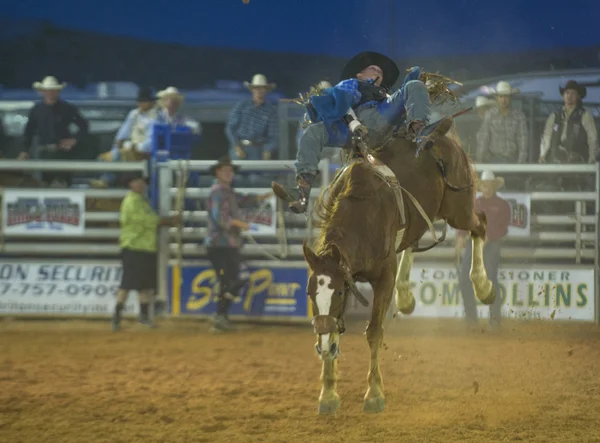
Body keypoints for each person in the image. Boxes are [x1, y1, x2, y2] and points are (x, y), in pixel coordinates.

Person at [271, 51, 452, 214]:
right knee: (312, 132)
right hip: (355, 126)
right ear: (359, 74)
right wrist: (354, 123)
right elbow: (343, 101)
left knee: (414, 85)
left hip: (383, 121)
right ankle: (302, 191)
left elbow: (404, 102)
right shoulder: (350, 84)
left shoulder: (387, 96)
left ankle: (419, 134)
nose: (378, 71)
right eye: (373, 68)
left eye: (380, 71)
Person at [205, 156, 272, 332]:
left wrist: (267, 195)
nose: (229, 173)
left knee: (231, 279)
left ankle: (220, 316)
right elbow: (221, 218)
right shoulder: (218, 192)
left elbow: (245, 200)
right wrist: (245, 225)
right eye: (225, 170)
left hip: (225, 244)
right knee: (233, 279)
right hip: (219, 244)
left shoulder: (227, 192)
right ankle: (220, 316)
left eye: (230, 170)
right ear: (218, 173)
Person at [111, 172, 181, 331]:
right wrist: (170, 221)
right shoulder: (133, 202)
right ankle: (118, 317)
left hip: (143, 247)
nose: (141, 184)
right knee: (128, 284)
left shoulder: (139, 201)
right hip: (135, 246)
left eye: (142, 182)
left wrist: (168, 221)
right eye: (137, 182)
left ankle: (138, 317)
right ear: (130, 184)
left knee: (142, 284)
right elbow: (150, 221)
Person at [456, 170, 511, 330]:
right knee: (464, 278)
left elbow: (503, 228)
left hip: (491, 245)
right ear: (481, 187)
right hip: (474, 244)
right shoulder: (475, 203)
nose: (486, 188)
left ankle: (494, 319)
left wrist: (489, 236)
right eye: (484, 186)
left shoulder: (502, 205)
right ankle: (471, 318)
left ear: (494, 187)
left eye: (489, 186)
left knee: (491, 280)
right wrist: (461, 235)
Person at [20, 76, 89, 187]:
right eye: (48, 91)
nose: (50, 93)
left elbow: (84, 126)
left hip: (63, 153)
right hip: (43, 153)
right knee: (44, 185)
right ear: (43, 92)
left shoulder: (67, 109)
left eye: (53, 90)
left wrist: (74, 140)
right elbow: (29, 132)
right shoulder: (36, 110)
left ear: (58, 91)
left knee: (63, 184)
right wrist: (24, 150)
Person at [92, 86, 159, 188]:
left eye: (144, 101)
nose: (141, 103)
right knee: (104, 159)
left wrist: (135, 147)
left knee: (119, 156)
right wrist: (118, 144)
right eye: (140, 101)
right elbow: (123, 132)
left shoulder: (156, 118)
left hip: (144, 154)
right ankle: (106, 182)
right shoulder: (134, 114)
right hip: (128, 149)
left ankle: (106, 181)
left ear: (151, 102)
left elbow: (151, 142)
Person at [539, 80, 598, 164]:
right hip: (556, 160)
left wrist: (592, 158)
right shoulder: (554, 116)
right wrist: (543, 154)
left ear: (578, 96)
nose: (569, 96)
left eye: (573, 93)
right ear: (563, 95)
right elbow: (546, 136)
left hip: (577, 160)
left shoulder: (585, 115)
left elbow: (592, 138)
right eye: (567, 93)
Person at [225, 74, 278, 161]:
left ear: (266, 90)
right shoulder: (241, 105)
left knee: (257, 174)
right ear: (252, 89)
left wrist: (268, 151)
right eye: (256, 88)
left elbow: (273, 134)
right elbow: (230, 128)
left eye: (262, 88)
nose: (259, 90)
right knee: (236, 173)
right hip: (239, 147)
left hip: (259, 149)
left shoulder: (270, 110)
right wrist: (236, 146)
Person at [476, 81, 528, 164]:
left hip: (512, 160)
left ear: (510, 98)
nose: (503, 100)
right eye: (501, 96)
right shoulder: (490, 115)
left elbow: (523, 141)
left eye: (506, 97)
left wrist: (520, 163)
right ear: (497, 98)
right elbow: (484, 139)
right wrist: (480, 160)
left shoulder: (519, 116)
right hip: (493, 160)